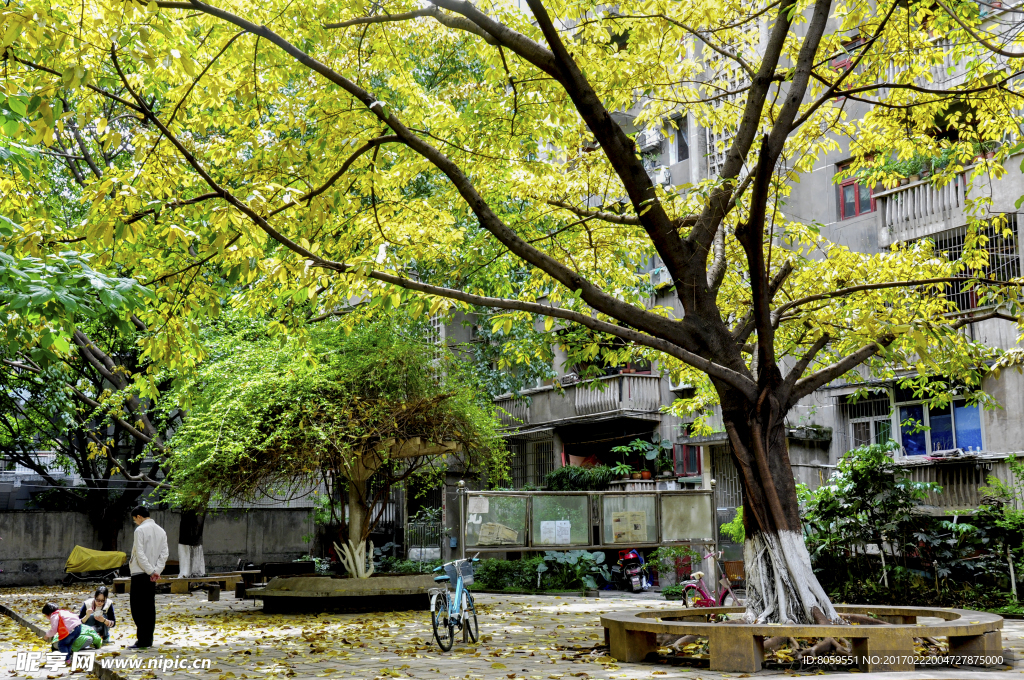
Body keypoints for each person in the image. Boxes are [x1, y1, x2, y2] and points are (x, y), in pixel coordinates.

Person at [128, 506, 168, 650]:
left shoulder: (140, 530)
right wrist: (156, 571)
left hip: (140, 572)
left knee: (138, 608)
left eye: (135, 520)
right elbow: (164, 554)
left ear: (139, 517)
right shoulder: (161, 530)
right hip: (152, 574)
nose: (136, 523)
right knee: (149, 607)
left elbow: (139, 554)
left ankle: (142, 640)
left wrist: (151, 571)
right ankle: (147, 639)